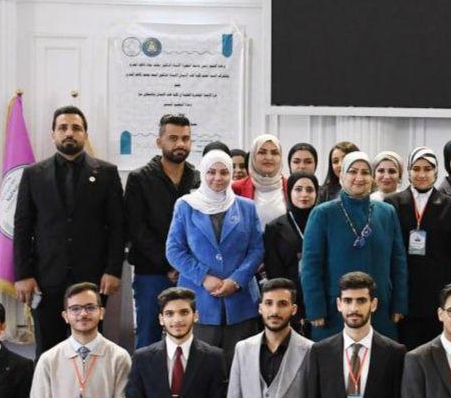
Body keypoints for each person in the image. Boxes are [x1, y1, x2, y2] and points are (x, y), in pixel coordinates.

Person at [13, 105, 126, 356]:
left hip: (93, 277)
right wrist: (23, 274)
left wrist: (113, 270)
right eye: (62, 128)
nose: (69, 133)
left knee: (91, 346)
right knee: (48, 348)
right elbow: (22, 226)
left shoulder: (106, 173)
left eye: (76, 128)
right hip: (46, 277)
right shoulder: (33, 174)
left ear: (85, 134)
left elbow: (118, 226)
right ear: (53, 134)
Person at [166, 149, 264, 366]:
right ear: (203, 173)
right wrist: (203, 277)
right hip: (199, 300)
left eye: (224, 172)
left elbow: (256, 250)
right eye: (211, 172)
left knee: (240, 368)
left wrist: (236, 280)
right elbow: (174, 251)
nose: (217, 178)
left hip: (241, 302)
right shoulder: (185, 205)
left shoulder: (246, 207)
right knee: (200, 368)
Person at [301, 151, 408, 341]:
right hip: (335, 308)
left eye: (365, 172)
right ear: (341, 176)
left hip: (380, 306)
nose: (359, 177)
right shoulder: (323, 213)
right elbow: (310, 266)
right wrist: (315, 308)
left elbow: (398, 262)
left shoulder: (387, 212)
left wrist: (399, 303)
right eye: (352, 171)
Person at [126, 114, 200, 349]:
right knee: (148, 337)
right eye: (173, 138)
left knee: (189, 339)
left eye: (185, 138)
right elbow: (137, 230)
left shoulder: (197, 178)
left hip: (189, 273)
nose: (180, 144)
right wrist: (170, 264)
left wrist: (184, 265)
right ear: (159, 142)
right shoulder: (139, 178)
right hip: (152, 273)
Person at [387, 147, 451, 349]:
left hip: (436, 291)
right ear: (408, 171)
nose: (421, 174)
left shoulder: (450, 205)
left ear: (436, 172)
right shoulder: (393, 203)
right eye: (416, 168)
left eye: (427, 169)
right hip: (404, 289)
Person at [263, 171, 319, 331]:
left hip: (319, 299)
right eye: (298, 189)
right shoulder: (275, 227)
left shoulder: (324, 223)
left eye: (310, 190)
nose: (304, 194)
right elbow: (274, 271)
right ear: (289, 192)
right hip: (288, 302)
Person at [233, 134, 288, 225]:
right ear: (253, 156)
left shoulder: (291, 187)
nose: (269, 157)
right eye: (262, 152)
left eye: (274, 153)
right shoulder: (236, 188)